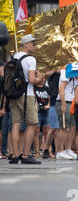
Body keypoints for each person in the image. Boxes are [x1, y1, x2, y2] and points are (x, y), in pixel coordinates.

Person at [9, 35, 51, 164]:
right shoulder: (30, 59)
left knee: (16, 123)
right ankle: (26, 154)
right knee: (32, 124)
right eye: (32, 43)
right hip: (27, 94)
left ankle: (15, 154)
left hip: (14, 94)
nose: (34, 46)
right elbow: (32, 80)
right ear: (26, 44)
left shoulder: (14, 57)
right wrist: (41, 77)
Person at [55, 68, 78, 160]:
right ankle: (60, 151)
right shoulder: (66, 71)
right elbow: (61, 89)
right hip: (65, 102)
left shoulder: (77, 73)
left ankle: (68, 149)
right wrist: (63, 104)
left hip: (72, 103)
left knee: (73, 127)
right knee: (64, 127)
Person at [33, 76, 51, 158]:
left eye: (44, 78)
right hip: (37, 112)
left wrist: (48, 105)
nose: (43, 80)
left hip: (46, 112)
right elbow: (34, 98)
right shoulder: (34, 88)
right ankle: (37, 151)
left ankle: (47, 150)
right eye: (42, 78)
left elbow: (49, 98)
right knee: (36, 132)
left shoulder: (46, 88)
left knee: (46, 132)